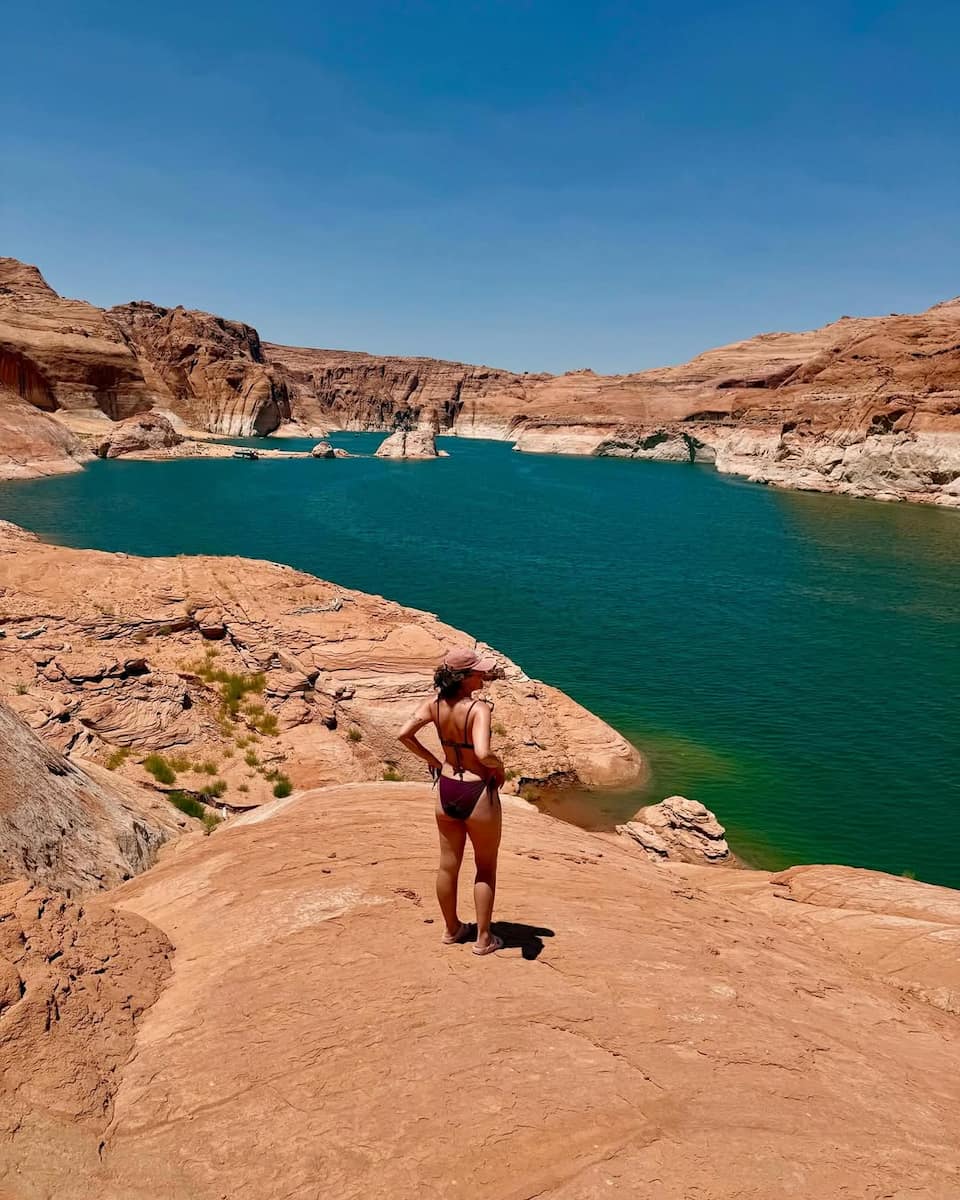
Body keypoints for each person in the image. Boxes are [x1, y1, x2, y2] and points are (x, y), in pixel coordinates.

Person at [398, 647, 507, 956]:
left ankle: (452, 929)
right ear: (464, 677)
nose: (484, 675)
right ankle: (483, 939)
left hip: (446, 788)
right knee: (485, 867)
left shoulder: (433, 704)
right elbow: (483, 753)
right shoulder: (478, 709)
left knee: (448, 865)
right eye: (479, 672)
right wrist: (499, 767)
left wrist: (433, 760)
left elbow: (404, 734)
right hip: (477, 791)